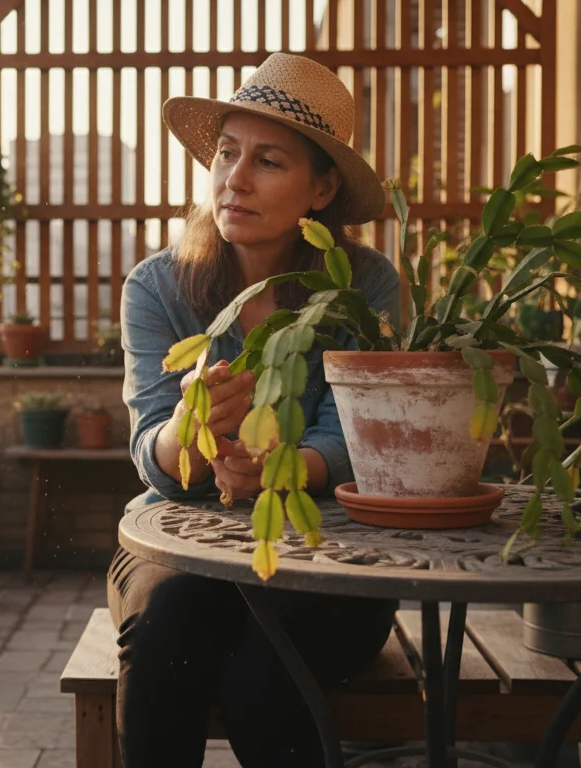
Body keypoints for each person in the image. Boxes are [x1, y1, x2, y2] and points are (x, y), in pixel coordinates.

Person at [110, 52, 403, 767]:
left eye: (267, 161)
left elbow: (362, 439)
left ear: (323, 186)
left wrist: (279, 469)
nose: (234, 179)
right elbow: (151, 444)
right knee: (169, 627)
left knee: (263, 676)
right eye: (226, 154)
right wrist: (193, 430)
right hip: (183, 537)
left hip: (332, 549)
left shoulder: (365, 286)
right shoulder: (158, 286)